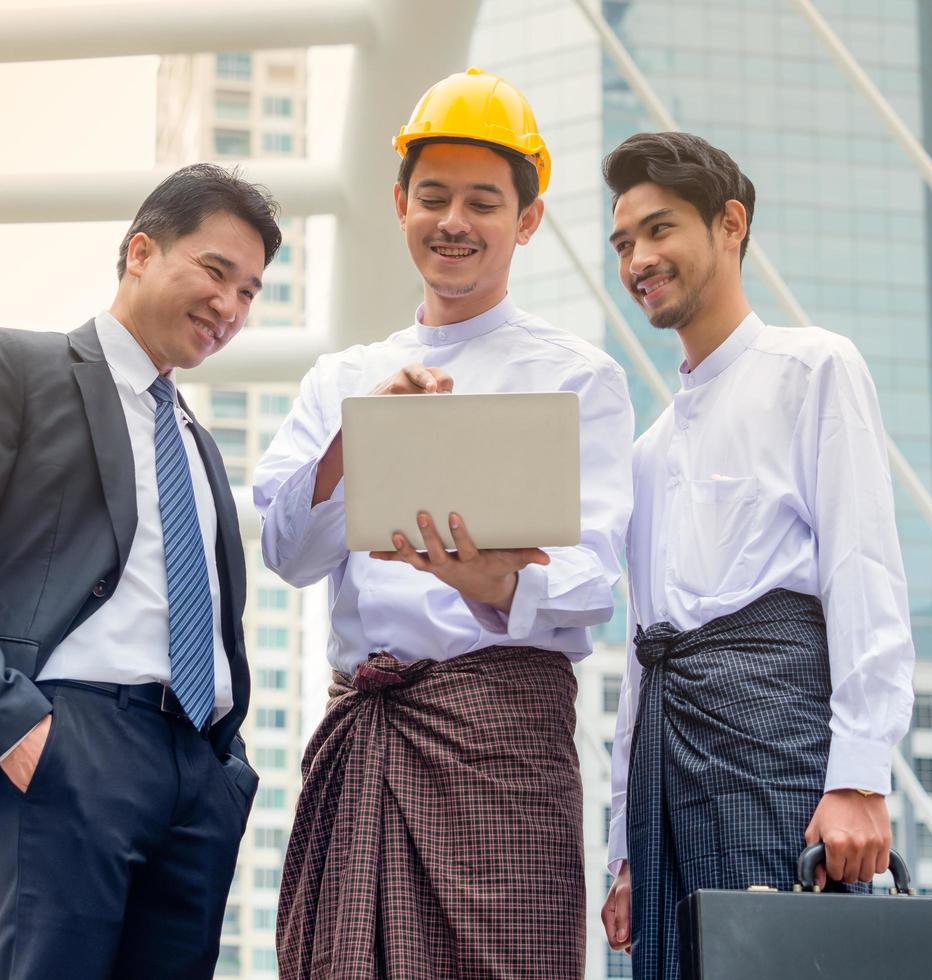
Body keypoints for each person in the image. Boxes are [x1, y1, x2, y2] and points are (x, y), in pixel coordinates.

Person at [254, 68, 634, 978]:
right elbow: (284, 552)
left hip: (500, 739)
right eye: (432, 198)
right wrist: (358, 435)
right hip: (368, 729)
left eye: (481, 202)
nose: (452, 222)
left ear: (527, 220)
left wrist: (494, 579)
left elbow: (594, 585)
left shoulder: (577, 376)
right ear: (397, 204)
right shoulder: (338, 378)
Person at [0, 163, 281, 979]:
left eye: (249, 292)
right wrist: (15, 727)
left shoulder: (196, 439)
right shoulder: (19, 367)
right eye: (215, 272)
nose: (230, 308)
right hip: (73, 744)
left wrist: (222, 769)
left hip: (196, 773)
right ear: (140, 251)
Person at [597, 132, 915, 979]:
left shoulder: (812, 367)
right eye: (623, 242)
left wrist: (858, 777)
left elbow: (864, 573)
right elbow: (639, 660)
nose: (638, 259)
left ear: (729, 223)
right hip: (667, 762)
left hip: (778, 743)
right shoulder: (646, 449)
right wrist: (622, 847)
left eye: (659, 230)